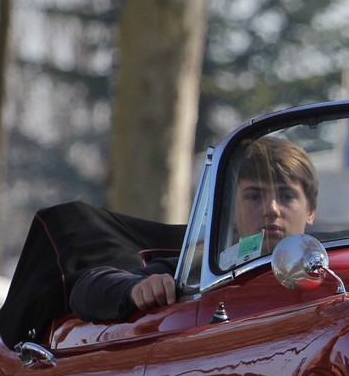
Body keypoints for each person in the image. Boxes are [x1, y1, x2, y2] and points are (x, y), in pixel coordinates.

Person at [70, 137, 318, 322]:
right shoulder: (206, 267)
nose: (271, 209)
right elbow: (87, 288)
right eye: (254, 197)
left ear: (310, 210)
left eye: (286, 196)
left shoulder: (337, 264)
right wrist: (136, 289)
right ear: (231, 211)